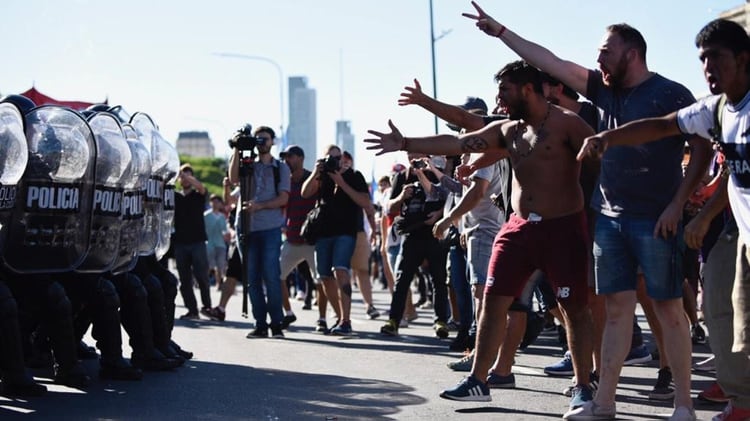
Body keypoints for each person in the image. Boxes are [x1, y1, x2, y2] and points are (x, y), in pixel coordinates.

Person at [461, 4, 712, 420]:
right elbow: (552, 63)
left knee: (668, 310)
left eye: (604, 51)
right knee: (614, 313)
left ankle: (683, 405)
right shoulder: (605, 90)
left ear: (630, 53)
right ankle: (603, 404)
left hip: (655, 219)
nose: (597, 60)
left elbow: (701, 147)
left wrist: (678, 203)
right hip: (610, 220)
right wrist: (502, 32)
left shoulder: (671, 94)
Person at [366, 60, 595, 412]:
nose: (500, 99)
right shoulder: (509, 130)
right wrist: (406, 141)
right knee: (492, 300)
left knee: (573, 308)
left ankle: (583, 385)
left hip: (562, 227)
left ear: (528, 90)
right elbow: (460, 140)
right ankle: (479, 380)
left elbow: (599, 163)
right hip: (517, 227)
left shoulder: (568, 124)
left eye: (505, 90)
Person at [577, 18, 750, 421]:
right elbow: (663, 126)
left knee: (688, 309)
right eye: (702, 59)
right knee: (723, 315)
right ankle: (740, 401)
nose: (707, 68)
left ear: (743, 60)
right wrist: (609, 138)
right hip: (737, 235)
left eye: (716, 59)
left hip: (661, 221)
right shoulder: (718, 109)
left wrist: (680, 207)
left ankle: (693, 403)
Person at [228, 126, 290, 339]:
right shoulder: (248, 164)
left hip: (270, 228)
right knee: (251, 278)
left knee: (271, 276)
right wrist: (237, 148)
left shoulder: (279, 167)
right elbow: (234, 178)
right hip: (245, 227)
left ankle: (276, 322)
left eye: (265, 139)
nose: (262, 142)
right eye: (258, 139)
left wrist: (259, 206)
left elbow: (284, 198)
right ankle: (260, 323)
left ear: (273, 141)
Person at [301, 145, 370, 336]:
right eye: (329, 158)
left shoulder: (354, 176)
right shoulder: (321, 176)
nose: (334, 161)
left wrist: (341, 182)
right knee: (324, 276)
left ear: (343, 158)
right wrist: (316, 171)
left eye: (337, 157)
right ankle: (340, 318)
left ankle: (346, 320)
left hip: (345, 232)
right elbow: (305, 193)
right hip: (323, 232)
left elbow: (365, 202)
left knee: (340, 269)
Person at [379, 153, 450, 338]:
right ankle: (394, 320)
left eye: (419, 153)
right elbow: (390, 208)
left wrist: (439, 215)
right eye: (411, 153)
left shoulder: (436, 172)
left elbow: (451, 197)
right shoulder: (401, 177)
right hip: (411, 235)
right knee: (402, 280)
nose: (415, 157)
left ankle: (441, 321)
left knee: (438, 279)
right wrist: (402, 196)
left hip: (435, 234)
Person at [278, 145, 330, 331]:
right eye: (284, 157)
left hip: (312, 240)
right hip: (291, 239)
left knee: (321, 280)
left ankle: (322, 319)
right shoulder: (284, 182)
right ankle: (288, 314)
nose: (286, 161)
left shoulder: (314, 177)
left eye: (290, 157)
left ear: (300, 158)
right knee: (277, 277)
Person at [173, 164, 211, 319]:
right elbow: (163, 188)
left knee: (202, 276)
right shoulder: (175, 196)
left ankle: (207, 307)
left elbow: (201, 187)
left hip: (198, 242)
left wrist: (185, 174)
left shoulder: (198, 195)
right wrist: (175, 176)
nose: (185, 179)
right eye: (183, 177)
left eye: (188, 176)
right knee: (184, 280)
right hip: (180, 243)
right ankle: (192, 310)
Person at [203, 194, 228, 291]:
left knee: (220, 265)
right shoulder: (206, 215)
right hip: (209, 244)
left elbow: (225, 230)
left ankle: (219, 284)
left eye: (217, 202)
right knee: (209, 265)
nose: (215, 204)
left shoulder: (222, 217)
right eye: (213, 201)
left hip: (220, 243)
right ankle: (204, 283)